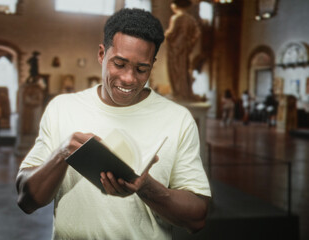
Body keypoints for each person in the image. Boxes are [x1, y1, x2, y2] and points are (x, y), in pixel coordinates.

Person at [16, 9, 211, 240]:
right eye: (119, 64)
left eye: (141, 69)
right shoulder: (63, 108)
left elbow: (197, 218)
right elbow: (26, 200)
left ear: (153, 64)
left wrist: (146, 187)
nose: (129, 78)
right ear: (101, 54)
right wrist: (62, 154)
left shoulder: (178, 119)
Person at [164, 0, 201, 101]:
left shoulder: (176, 17)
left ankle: (178, 93)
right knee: (184, 69)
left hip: (175, 48)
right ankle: (186, 93)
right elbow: (197, 33)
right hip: (185, 48)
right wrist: (190, 44)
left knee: (175, 71)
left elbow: (171, 33)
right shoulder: (191, 19)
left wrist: (166, 35)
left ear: (175, 5)